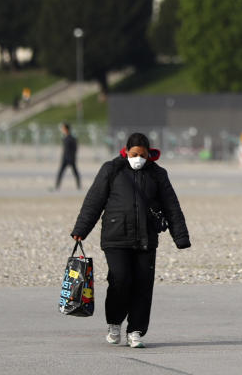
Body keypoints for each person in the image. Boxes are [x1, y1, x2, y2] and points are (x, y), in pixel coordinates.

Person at [71, 132, 191, 349]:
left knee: (143, 285)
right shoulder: (111, 169)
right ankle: (114, 323)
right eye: (134, 154)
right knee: (120, 280)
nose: (138, 159)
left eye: (142, 155)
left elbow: (172, 206)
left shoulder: (158, 174)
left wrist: (180, 237)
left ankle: (135, 331)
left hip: (146, 238)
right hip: (115, 237)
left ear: (149, 155)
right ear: (125, 151)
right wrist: (81, 229)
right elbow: (94, 201)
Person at [55, 122, 80, 191]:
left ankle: (79, 186)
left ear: (66, 129)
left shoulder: (72, 138)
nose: (62, 130)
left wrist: (73, 157)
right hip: (65, 158)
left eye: (63, 128)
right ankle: (57, 186)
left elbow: (75, 149)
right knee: (60, 172)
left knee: (75, 172)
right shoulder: (64, 138)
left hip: (70, 158)